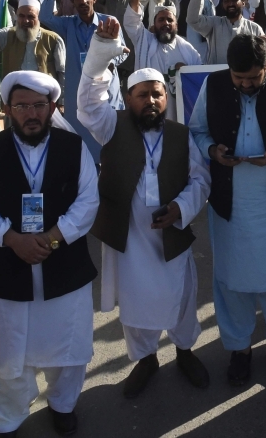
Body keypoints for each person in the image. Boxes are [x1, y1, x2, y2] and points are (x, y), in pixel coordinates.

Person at [77, 22, 211, 397]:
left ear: (166, 98)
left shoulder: (183, 136)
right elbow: (87, 103)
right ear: (129, 98)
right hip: (129, 236)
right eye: (141, 95)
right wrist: (103, 48)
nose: (149, 101)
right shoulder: (111, 125)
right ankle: (146, 359)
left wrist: (181, 209)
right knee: (134, 304)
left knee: (182, 296)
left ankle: (185, 352)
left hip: (170, 233)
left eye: (156, 95)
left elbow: (201, 181)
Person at [0, 70, 99, 436]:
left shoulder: (74, 147)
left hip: (65, 266)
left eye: (39, 105)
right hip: (10, 267)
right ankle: (8, 418)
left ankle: (63, 404)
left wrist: (53, 238)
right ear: (7, 108)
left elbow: (88, 202)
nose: (31, 113)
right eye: (21, 106)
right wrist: (12, 239)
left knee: (68, 348)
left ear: (52, 107)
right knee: (8, 354)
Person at [189, 35, 266, 385]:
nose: (245, 85)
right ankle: (239, 348)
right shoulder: (214, 85)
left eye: (253, 78)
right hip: (231, 203)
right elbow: (196, 131)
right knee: (233, 280)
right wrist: (213, 149)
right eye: (238, 78)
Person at [40, 0, 126, 163]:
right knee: (81, 153)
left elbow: (122, 53)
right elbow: (44, 16)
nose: (83, 1)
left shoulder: (109, 22)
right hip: (78, 98)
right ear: (72, 1)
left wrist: (108, 63)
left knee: (113, 148)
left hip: (106, 93)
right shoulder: (67, 25)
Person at [124, 0, 200, 119]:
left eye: (170, 20)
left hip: (179, 114)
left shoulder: (188, 51)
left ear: (176, 25)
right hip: (147, 110)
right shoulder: (144, 40)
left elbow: (198, 82)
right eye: (161, 20)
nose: (165, 23)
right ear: (154, 25)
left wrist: (185, 72)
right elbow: (131, 21)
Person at [0, 0, 66, 91]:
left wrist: (61, 101)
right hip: (15, 97)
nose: (25, 21)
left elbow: (62, 72)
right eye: (21, 16)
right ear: (16, 16)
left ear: (38, 18)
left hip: (44, 96)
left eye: (31, 17)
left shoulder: (53, 39)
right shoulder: (8, 35)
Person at [187, 0, 264, 66]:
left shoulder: (255, 28)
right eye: (226, 1)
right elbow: (193, 19)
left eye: (234, 0)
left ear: (243, 2)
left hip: (244, 79)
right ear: (222, 4)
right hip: (218, 77)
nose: (230, 4)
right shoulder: (214, 24)